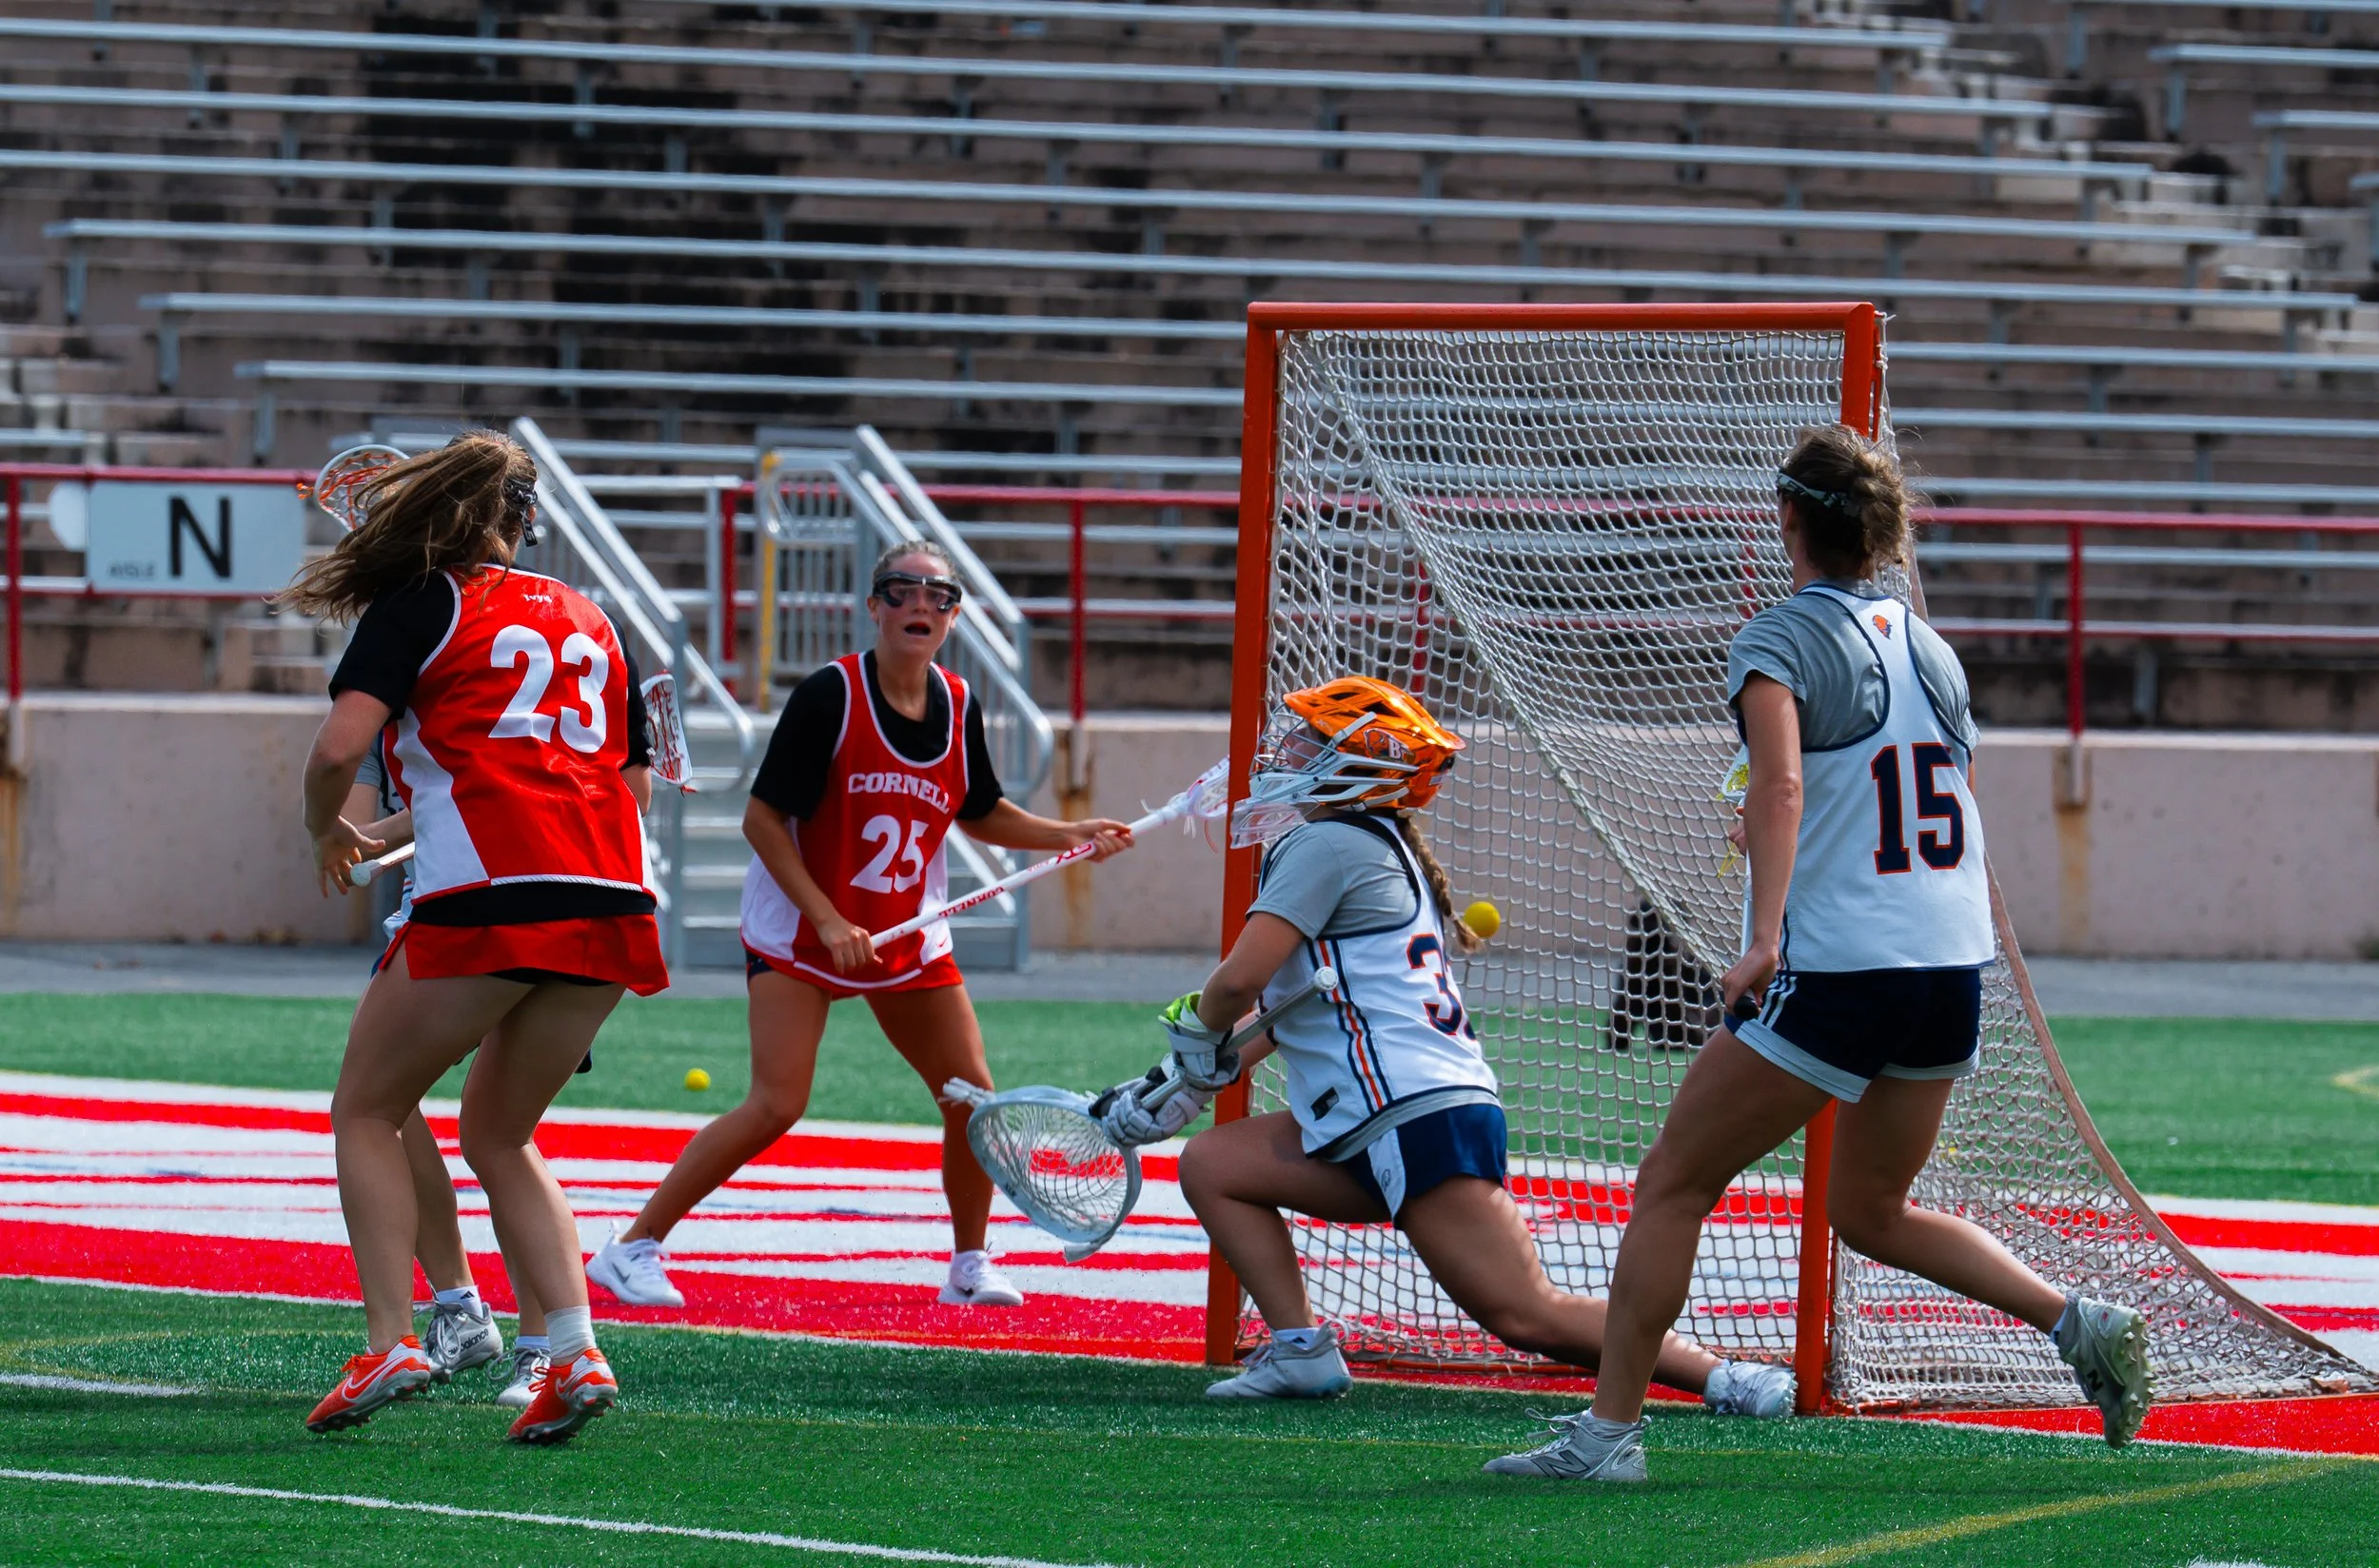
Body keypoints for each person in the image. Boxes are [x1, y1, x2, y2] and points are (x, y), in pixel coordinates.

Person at [1487, 427, 2153, 1483]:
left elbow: (1784, 786)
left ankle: (1606, 1437)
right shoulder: (1931, 648)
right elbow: (1931, 794)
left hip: (1845, 964)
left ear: (1787, 520)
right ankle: (2076, 1320)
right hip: (1946, 962)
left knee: (1670, 1182)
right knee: (1870, 1210)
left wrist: (1759, 940)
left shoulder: (1777, 638)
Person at [1099, 676, 1794, 1419]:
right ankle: (1301, 1351)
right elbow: (1304, 1003)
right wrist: (1197, 1074)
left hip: (1410, 1116)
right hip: (1381, 1114)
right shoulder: (1366, 841)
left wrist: (1198, 1038)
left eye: (1308, 738)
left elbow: (1238, 983)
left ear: (1357, 761)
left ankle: (1725, 1378)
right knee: (1214, 1164)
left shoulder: (1327, 842)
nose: (1284, 750)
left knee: (1524, 1312)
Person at [584, 541, 1134, 1311]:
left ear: (953, 615)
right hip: (802, 931)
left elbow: (979, 813)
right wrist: (829, 916)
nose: (919, 605)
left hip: (905, 934)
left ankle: (969, 1264)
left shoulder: (959, 702)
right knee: (777, 1103)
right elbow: (762, 821)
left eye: (937, 595)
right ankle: (630, 1247)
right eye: (901, 591)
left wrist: (1070, 834)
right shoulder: (829, 698)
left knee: (971, 1099)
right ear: (873, 606)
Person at [291, 431, 667, 1444]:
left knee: (367, 1105)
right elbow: (588, 771)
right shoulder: (589, 612)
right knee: (501, 1133)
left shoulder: (420, 602)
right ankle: (574, 1349)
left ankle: (393, 1336)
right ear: (522, 520)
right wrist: (404, 828)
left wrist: (326, 826)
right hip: (613, 887)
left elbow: (336, 750)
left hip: (493, 893)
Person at [324, 741, 549, 1410]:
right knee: (379, 1100)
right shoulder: (378, 706)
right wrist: (346, 835)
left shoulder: (475, 668)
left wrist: (358, 832)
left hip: (523, 901)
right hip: (435, 913)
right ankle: (460, 1305)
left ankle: (545, 1346)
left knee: (505, 1131)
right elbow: (357, 831)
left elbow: (626, 789)